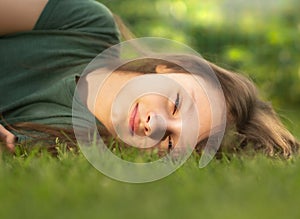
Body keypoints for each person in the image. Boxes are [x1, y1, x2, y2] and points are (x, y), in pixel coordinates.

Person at [0, 0, 298, 159]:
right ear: (169, 68)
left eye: (171, 143)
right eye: (177, 104)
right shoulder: (86, 24)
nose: (154, 126)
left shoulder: (59, 151)